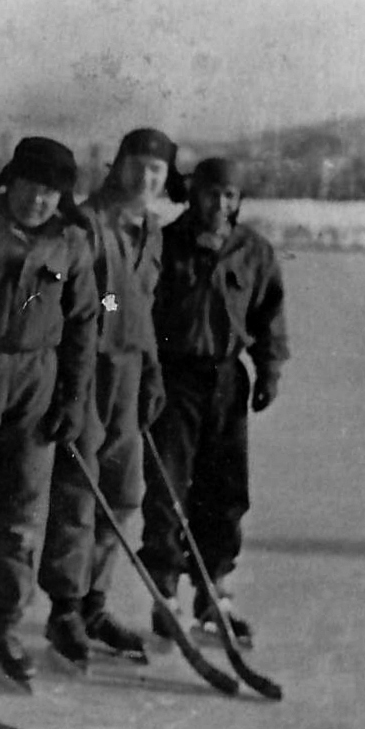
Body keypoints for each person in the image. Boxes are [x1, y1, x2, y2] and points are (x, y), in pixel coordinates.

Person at [0, 136, 98, 686]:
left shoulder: (74, 241)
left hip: (37, 381)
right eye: (30, 187)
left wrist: (73, 398)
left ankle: (6, 623)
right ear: (12, 182)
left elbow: (89, 317)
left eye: (50, 192)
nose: (38, 200)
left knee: (24, 506)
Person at [40, 128, 184, 666]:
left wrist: (150, 370)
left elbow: (140, 303)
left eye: (157, 172)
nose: (146, 179)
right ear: (118, 165)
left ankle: (95, 602)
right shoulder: (86, 224)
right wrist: (112, 310)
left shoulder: (151, 230)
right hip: (89, 366)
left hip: (130, 371)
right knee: (79, 492)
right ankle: (65, 608)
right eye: (138, 166)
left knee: (124, 495)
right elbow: (96, 297)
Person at [138, 157, 288, 646]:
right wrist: (105, 313)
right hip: (172, 378)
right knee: (168, 488)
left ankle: (213, 591)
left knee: (224, 492)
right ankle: (165, 589)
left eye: (229, 196)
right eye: (209, 194)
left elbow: (269, 313)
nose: (219, 205)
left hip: (226, 379)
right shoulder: (161, 242)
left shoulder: (253, 251)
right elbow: (117, 298)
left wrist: (269, 369)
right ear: (192, 195)